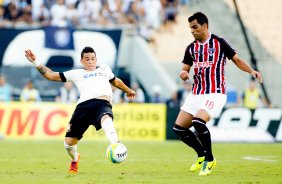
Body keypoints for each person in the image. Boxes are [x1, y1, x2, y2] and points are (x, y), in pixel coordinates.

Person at [172, 12, 262, 176]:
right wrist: (183, 73)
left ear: (204, 26)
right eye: (190, 28)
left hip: (215, 92)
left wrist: (251, 71)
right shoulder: (191, 48)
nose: (192, 31)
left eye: (195, 27)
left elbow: (236, 60)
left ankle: (210, 159)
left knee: (198, 122)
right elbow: (185, 68)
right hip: (196, 93)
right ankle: (201, 154)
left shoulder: (219, 42)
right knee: (178, 129)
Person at [24, 46, 136, 174]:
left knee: (106, 118)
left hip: (102, 103)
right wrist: (35, 61)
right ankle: (75, 159)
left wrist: (128, 90)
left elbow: (116, 81)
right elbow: (51, 75)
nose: (90, 61)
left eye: (93, 59)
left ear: (96, 59)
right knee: (69, 143)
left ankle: (116, 144)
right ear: (82, 61)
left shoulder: (105, 69)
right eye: (87, 59)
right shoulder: (76, 73)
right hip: (83, 108)